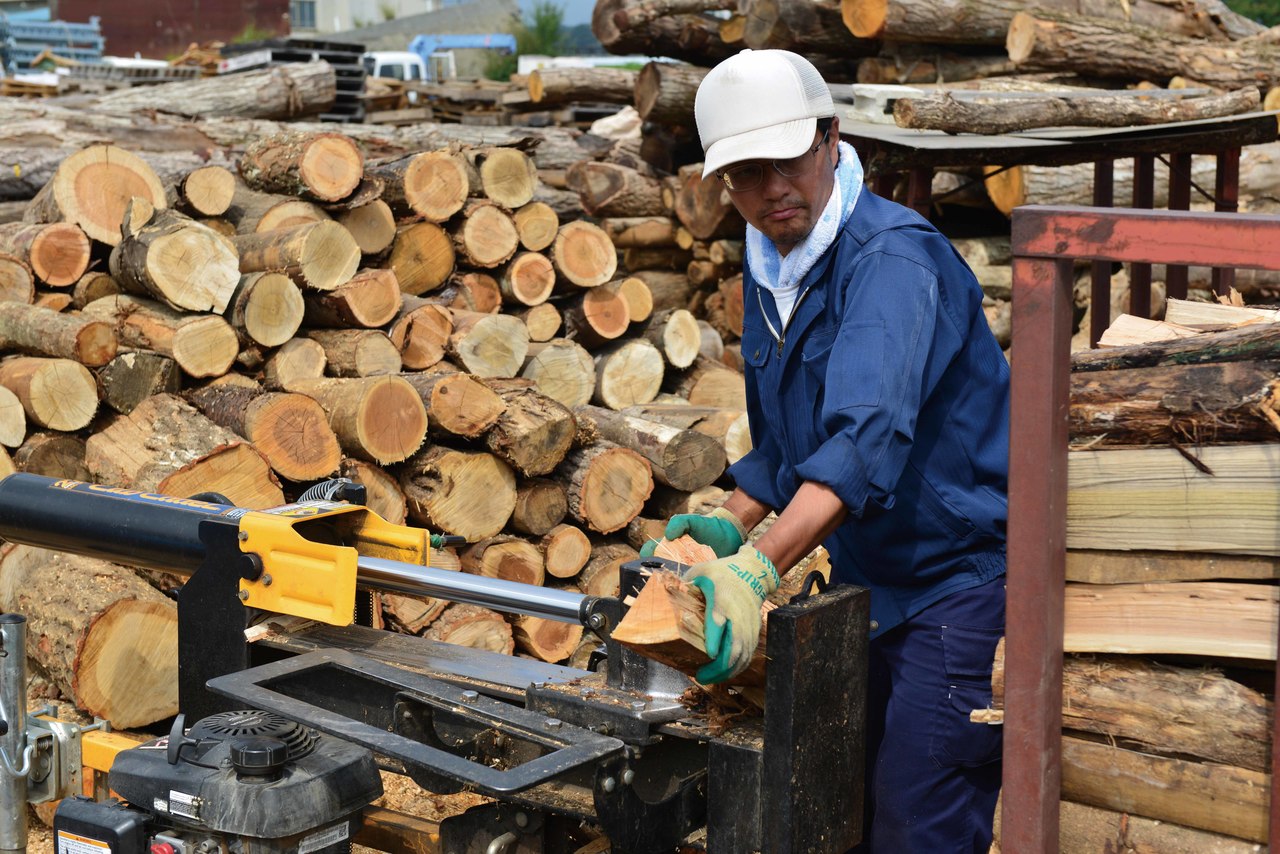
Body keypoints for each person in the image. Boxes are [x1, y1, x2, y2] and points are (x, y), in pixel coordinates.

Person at [644, 49, 1009, 852]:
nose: (771, 189)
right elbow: (790, 440)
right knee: (841, 801)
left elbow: (860, 440)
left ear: (831, 139)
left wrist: (758, 567)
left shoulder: (889, 261)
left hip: (956, 587)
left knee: (918, 822)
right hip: (868, 584)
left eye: (787, 161)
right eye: (745, 174)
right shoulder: (774, 257)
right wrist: (730, 521)